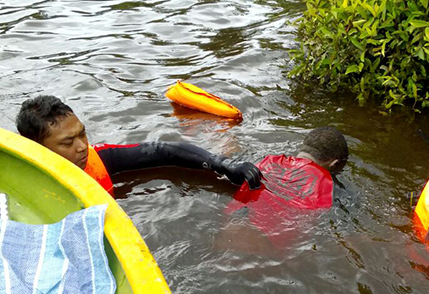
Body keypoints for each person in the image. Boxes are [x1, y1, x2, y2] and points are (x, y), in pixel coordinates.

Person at [16, 95, 262, 195]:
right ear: (36, 148)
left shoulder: (98, 159)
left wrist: (224, 164)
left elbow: (164, 152)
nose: (82, 147)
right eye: (68, 142)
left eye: (82, 134)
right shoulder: (17, 189)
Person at [224, 126, 349, 247]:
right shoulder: (329, 183)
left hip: (229, 225)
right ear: (335, 164)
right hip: (270, 244)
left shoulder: (266, 161)